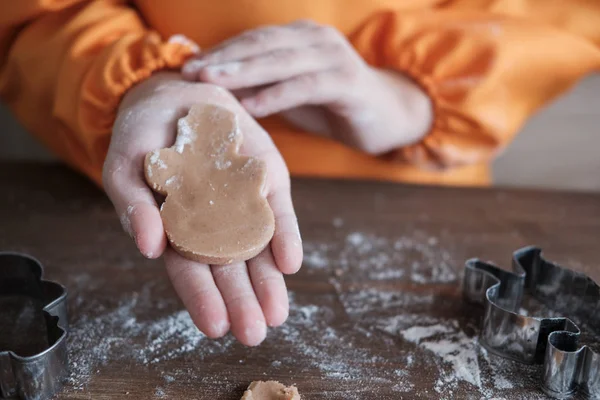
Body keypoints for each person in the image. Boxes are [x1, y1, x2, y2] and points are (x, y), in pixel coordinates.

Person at [1, 1, 599, 347]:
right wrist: (142, 83)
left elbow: (564, 17)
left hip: (425, 205)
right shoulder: (173, 154)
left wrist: (416, 97)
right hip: (103, 188)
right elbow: (34, 16)